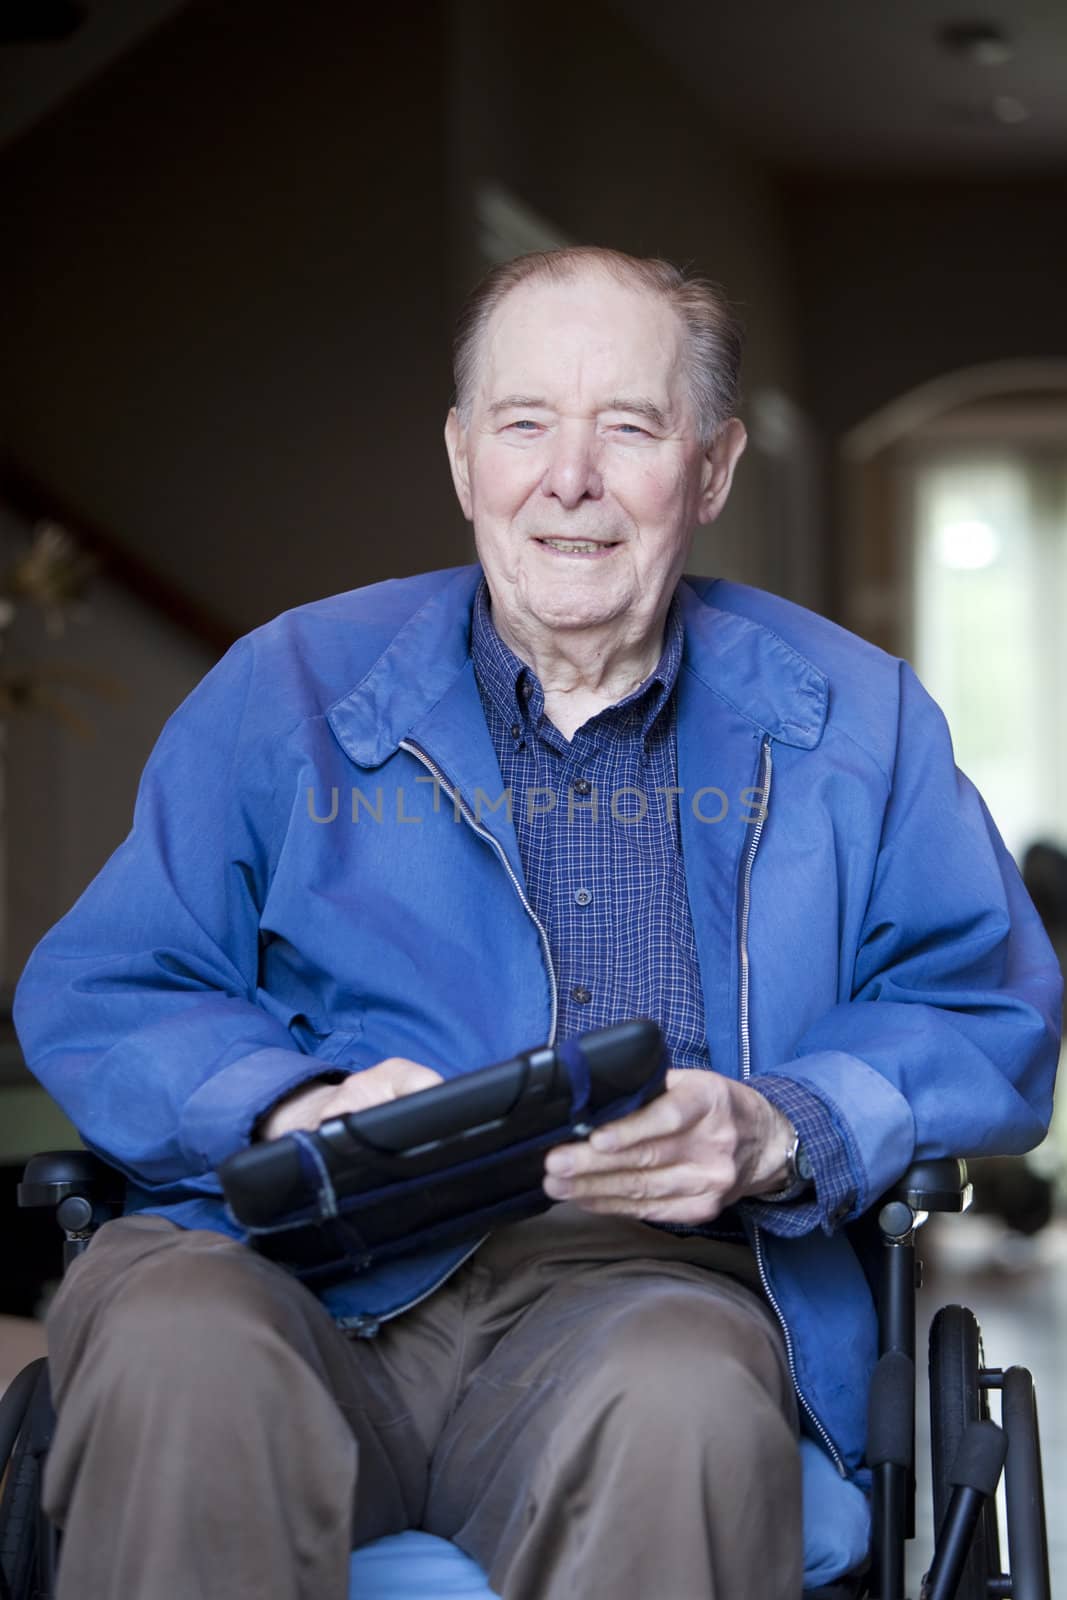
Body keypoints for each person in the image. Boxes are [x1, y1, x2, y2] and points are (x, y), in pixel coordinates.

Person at [14, 247, 1060, 1600]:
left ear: (713, 469)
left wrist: (781, 1122)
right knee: (172, 1349)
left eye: (629, 427)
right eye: (524, 426)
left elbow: (988, 1009)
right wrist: (285, 1102)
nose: (569, 478)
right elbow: (113, 989)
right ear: (463, 461)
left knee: (683, 1396)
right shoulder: (285, 687)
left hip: (645, 1286)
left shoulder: (858, 723)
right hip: (279, 1261)